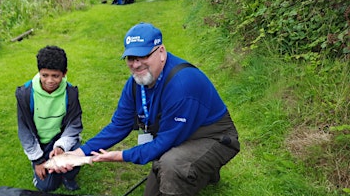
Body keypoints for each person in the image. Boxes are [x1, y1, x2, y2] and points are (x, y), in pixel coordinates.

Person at [49, 23, 240, 196]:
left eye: (144, 56)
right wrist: (79, 153)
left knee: (171, 166)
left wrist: (120, 156)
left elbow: (164, 142)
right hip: (176, 130)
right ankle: (203, 170)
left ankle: (202, 166)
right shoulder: (135, 84)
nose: (136, 64)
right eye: (131, 58)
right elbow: (118, 126)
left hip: (214, 136)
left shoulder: (183, 84)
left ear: (162, 52)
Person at [15, 45, 84, 192]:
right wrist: (38, 159)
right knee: (47, 186)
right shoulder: (25, 94)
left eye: (55, 76)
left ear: (64, 73)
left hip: (60, 139)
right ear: (39, 72)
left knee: (78, 156)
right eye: (45, 75)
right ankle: (41, 168)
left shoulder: (71, 93)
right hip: (40, 143)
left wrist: (61, 146)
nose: (50, 81)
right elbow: (24, 130)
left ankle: (68, 176)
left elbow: (74, 124)